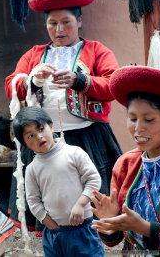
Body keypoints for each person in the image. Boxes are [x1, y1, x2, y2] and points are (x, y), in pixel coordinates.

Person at [5, 0, 122, 233]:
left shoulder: (96, 51)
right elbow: (11, 85)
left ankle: (96, 235)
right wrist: (33, 81)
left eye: (66, 22)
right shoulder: (34, 55)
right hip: (43, 138)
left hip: (87, 135)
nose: (59, 29)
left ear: (79, 21)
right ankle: (54, 232)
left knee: (90, 186)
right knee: (50, 191)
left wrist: (79, 80)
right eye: (52, 23)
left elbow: (113, 84)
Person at [13, 106, 105, 256]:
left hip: (83, 229)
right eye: (30, 136)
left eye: (41, 129)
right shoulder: (32, 169)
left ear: (51, 125)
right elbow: (33, 201)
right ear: (25, 144)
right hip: (55, 234)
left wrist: (80, 204)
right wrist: (51, 226)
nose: (38, 137)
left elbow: (93, 179)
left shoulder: (74, 153)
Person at [91, 66, 160, 254]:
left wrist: (146, 228)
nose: (138, 128)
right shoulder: (126, 164)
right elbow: (116, 238)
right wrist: (110, 223)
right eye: (132, 118)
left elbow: (141, 228)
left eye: (149, 119)